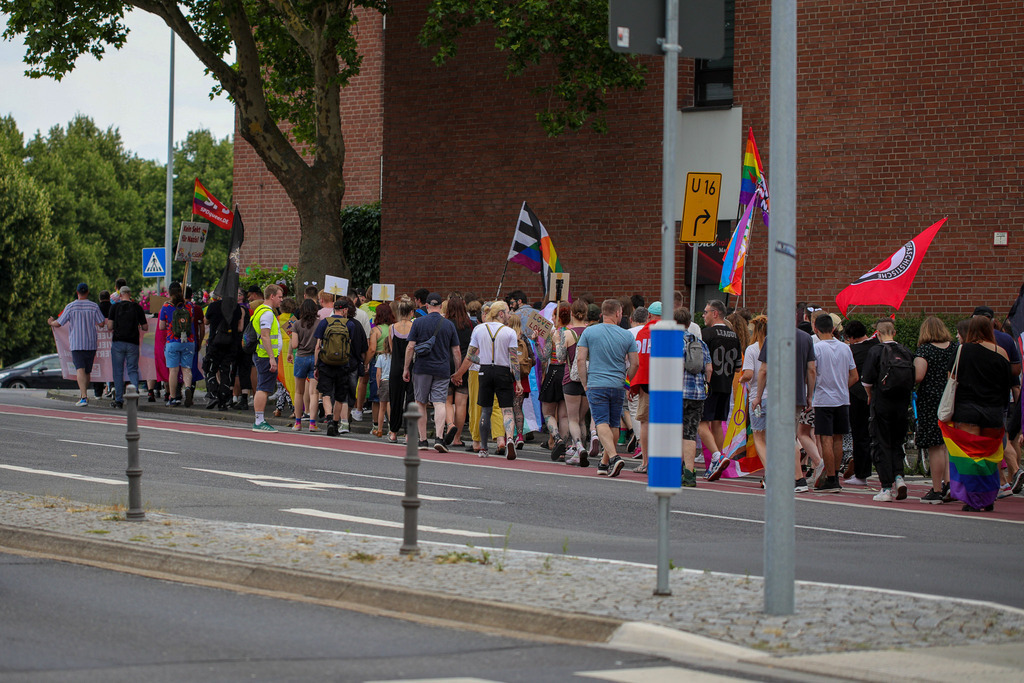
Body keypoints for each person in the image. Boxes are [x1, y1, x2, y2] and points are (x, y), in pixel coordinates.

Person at [946, 315, 1013, 511]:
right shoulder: (1001, 352)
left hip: (967, 409)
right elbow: (1006, 384)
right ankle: (989, 497)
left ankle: (973, 499)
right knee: (990, 456)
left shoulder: (963, 351)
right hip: (993, 410)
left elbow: (951, 377)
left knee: (969, 456)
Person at [575, 299, 639, 477]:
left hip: (596, 382)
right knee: (613, 423)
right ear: (618, 313)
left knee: (601, 421)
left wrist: (584, 382)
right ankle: (604, 464)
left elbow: (581, 360)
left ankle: (613, 457)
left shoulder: (589, 332)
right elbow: (635, 363)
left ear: (602, 313)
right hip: (618, 384)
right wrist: (627, 383)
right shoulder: (627, 335)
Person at [453, 301, 521, 459]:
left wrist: (482, 358)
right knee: (506, 409)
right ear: (501, 314)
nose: (510, 315)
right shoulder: (509, 332)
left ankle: (483, 447)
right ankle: (509, 439)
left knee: (485, 409)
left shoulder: (479, 329)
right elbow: (514, 360)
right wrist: (517, 381)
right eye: (508, 312)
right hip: (503, 370)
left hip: (484, 370)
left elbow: (470, 356)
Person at [860, 320, 916, 502]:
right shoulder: (906, 351)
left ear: (877, 333)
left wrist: (870, 395)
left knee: (881, 442)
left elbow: (866, 381)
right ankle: (899, 477)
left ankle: (885, 488)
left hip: (881, 403)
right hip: (901, 403)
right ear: (895, 331)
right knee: (897, 441)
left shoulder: (876, 351)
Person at [404, 292, 461, 451]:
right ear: (441, 306)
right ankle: (439, 438)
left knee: (420, 402)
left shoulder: (418, 322)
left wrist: (406, 368)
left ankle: (422, 440)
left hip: (421, 368)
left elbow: (410, 347)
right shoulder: (448, 324)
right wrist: (457, 371)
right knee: (439, 403)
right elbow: (456, 351)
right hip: (442, 369)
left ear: (426, 306)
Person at [810, 313, 858, 492]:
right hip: (842, 398)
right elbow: (854, 375)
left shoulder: (817, 348)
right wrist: (842, 387)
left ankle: (830, 477)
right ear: (833, 329)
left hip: (823, 399)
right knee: (838, 438)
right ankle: (835, 475)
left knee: (826, 439)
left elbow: (812, 371)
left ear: (815, 329)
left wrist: (811, 392)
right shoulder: (846, 348)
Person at [913, 316, 957, 503]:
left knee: (935, 445)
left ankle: (937, 489)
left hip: (931, 400)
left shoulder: (925, 350)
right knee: (947, 443)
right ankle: (949, 485)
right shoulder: (955, 347)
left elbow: (919, 376)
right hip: (951, 398)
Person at [314, 297, 369, 436]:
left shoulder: (324, 323)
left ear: (334, 309)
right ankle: (336, 422)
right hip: (343, 364)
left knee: (326, 393)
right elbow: (349, 345)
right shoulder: (350, 325)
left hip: (326, 363)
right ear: (345, 310)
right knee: (340, 395)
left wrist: (316, 365)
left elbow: (317, 347)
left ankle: (329, 417)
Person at [699, 299, 742, 472]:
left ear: (715, 313)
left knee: (701, 423)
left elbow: (700, 359)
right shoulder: (734, 335)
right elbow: (738, 365)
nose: (703, 315)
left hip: (708, 385)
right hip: (726, 384)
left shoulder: (707, 334)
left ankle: (717, 457)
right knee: (717, 423)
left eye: (706, 312)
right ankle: (717, 463)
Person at [48, 283, 106, 407]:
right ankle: (83, 395)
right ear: (88, 292)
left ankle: (84, 397)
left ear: (77, 292)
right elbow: (101, 323)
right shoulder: (94, 306)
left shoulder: (70, 307)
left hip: (77, 343)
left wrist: (51, 322)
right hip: (91, 343)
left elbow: (59, 323)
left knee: (80, 369)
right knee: (88, 371)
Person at [678, 307, 713, 487]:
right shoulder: (700, 343)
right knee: (690, 433)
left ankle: (674, 470)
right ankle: (689, 473)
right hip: (697, 394)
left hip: (676, 394)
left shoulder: (672, 341)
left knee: (673, 432)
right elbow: (709, 369)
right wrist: (705, 384)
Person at [843, 320, 878, 486]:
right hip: (879, 396)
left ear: (851, 337)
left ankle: (861, 474)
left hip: (858, 396)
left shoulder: (852, 351)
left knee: (860, 435)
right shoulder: (877, 345)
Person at [557, 301, 591, 466]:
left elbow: (561, 357)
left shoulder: (567, 334)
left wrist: (557, 342)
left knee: (572, 419)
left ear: (571, 314)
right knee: (582, 419)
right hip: (588, 379)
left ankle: (578, 447)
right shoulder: (590, 332)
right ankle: (582, 446)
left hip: (570, 379)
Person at [105, 285, 149, 409]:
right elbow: (145, 327)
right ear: (130, 294)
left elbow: (109, 326)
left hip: (118, 342)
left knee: (118, 372)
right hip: (133, 343)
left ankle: (119, 401)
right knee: (132, 370)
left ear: (120, 295)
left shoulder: (114, 307)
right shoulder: (137, 308)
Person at [251, 284, 285, 432]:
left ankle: (259, 420)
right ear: (272, 296)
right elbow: (265, 335)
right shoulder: (267, 313)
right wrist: (272, 357)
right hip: (265, 355)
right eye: (279, 296)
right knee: (263, 387)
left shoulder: (260, 310)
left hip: (262, 354)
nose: (281, 300)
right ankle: (259, 421)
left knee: (263, 386)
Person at [158, 282, 196, 407]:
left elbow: (161, 326)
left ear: (169, 292)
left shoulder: (166, 306)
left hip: (172, 341)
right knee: (186, 368)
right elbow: (191, 321)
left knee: (173, 371)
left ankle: (173, 397)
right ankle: (188, 388)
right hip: (188, 341)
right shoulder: (189, 306)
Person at [444, 295, 475, 449]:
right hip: (464, 365)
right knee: (461, 404)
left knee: (447, 401)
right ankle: (457, 438)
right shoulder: (470, 325)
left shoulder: (445, 324)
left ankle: (450, 425)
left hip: (447, 364)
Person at [203, 293, 243, 411]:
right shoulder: (236, 308)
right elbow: (240, 328)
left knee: (209, 368)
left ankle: (213, 393)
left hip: (215, 343)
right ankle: (223, 400)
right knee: (226, 371)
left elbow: (206, 322)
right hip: (231, 344)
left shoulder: (213, 306)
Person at [740, 315, 768, 477]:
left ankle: (769, 472)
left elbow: (749, 374)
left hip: (758, 397)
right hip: (776, 396)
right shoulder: (775, 347)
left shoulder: (752, 349)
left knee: (759, 437)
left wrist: (741, 380)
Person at [387, 300, 416, 443]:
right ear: (411, 312)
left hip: (395, 367)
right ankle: (408, 434)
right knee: (411, 400)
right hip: (411, 366)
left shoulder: (392, 328)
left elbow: (392, 349)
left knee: (395, 400)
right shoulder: (415, 327)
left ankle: (393, 432)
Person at [290, 298, 321, 432]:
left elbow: (295, 344)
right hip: (314, 358)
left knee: (299, 391)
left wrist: (290, 352)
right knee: (314, 393)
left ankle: (297, 423)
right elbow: (319, 346)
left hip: (300, 358)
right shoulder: (320, 323)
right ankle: (312, 424)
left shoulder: (296, 324)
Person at [367, 302, 396, 437]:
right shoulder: (393, 328)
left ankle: (375, 425)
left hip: (378, 360)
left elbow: (372, 349)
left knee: (376, 397)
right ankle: (391, 424)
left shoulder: (375, 330)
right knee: (390, 399)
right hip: (393, 361)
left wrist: (365, 362)